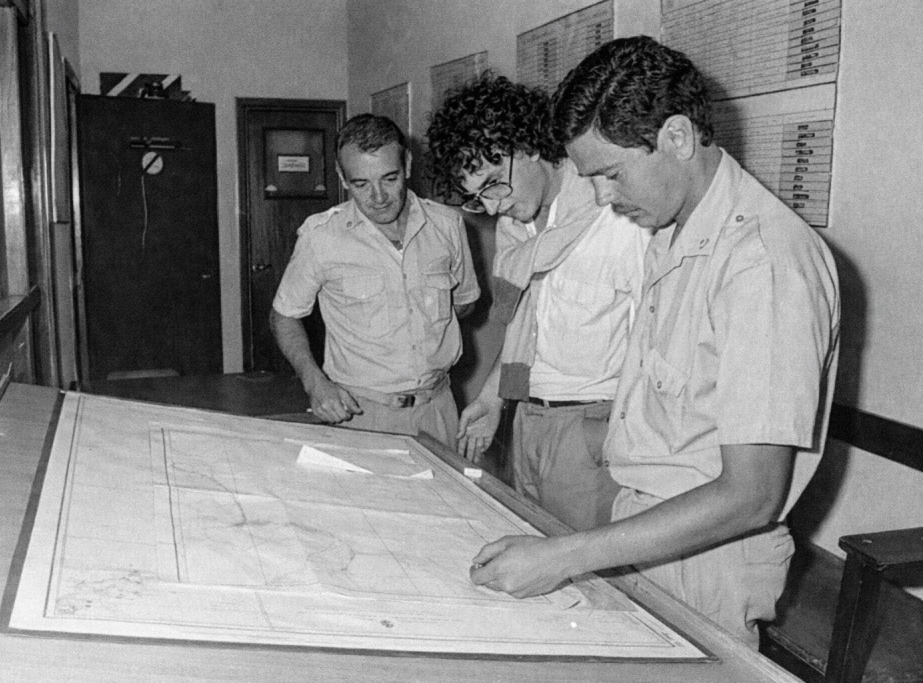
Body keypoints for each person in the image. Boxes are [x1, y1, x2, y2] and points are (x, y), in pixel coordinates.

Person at [468, 36, 840, 647]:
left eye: (611, 174)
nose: (603, 197)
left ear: (677, 137)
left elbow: (750, 495)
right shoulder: (673, 230)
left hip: (705, 558)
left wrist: (563, 555)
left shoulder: (763, 263)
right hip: (642, 529)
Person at [426, 74, 648, 531]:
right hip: (525, 419)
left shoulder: (617, 220)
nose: (490, 208)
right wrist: (493, 398)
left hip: (591, 426)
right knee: (529, 542)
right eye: (475, 198)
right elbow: (526, 331)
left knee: (584, 566)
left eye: (493, 185)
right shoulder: (518, 233)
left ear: (527, 145)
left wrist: (614, 436)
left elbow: (655, 337)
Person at [271, 114, 480, 448]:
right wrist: (315, 383)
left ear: (407, 164)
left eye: (390, 178)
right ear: (342, 177)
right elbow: (284, 315)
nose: (379, 196)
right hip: (361, 414)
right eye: (361, 184)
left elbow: (464, 303)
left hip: (437, 410)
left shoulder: (447, 226)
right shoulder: (320, 236)